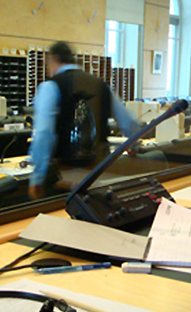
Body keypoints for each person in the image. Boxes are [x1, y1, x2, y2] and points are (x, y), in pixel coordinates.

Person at [28, 41, 140, 200]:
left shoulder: (50, 86)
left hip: (65, 175)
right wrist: (134, 145)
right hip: (100, 171)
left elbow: (44, 133)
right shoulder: (101, 85)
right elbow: (128, 120)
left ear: (54, 58)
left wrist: (37, 176)